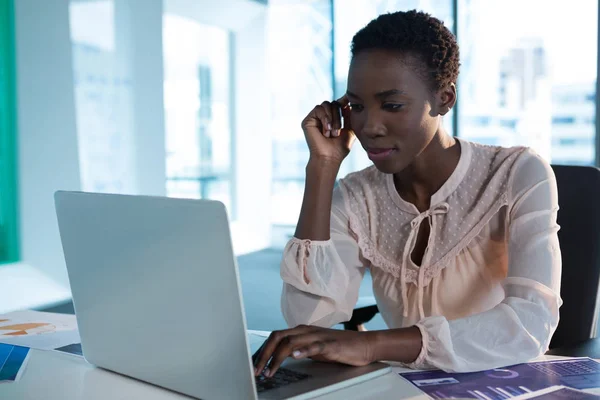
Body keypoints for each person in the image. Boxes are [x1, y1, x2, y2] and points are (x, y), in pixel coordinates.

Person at [254, 10, 561, 376]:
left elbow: (530, 323)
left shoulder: (516, 173)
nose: (370, 126)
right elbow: (308, 318)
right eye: (356, 106)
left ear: (445, 99)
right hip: (404, 385)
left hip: (499, 379)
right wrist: (322, 168)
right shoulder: (356, 195)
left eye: (393, 105)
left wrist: (372, 345)